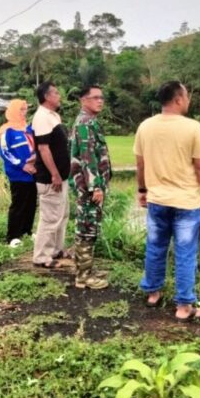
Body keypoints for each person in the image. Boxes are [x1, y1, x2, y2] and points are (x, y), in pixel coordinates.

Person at [133, 81, 200, 321]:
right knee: (185, 254)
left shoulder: (145, 126)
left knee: (155, 246)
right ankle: (184, 307)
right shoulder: (193, 128)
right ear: (179, 99)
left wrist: (142, 190)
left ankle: (153, 293)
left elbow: (140, 164)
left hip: (157, 201)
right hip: (186, 203)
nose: (188, 100)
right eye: (187, 96)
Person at [69, 85, 111, 289]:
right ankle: (83, 277)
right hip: (88, 187)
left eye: (101, 97)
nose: (100, 101)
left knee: (89, 226)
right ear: (84, 100)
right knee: (87, 228)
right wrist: (96, 187)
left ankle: (85, 270)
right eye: (95, 98)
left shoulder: (90, 121)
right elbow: (87, 158)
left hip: (89, 185)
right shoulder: (84, 123)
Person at [32, 81, 70, 268]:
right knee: (50, 218)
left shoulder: (53, 115)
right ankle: (41, 256)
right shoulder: (41, 117)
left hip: (61, 177)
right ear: (47, 97)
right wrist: (54, 174)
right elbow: (44, 148)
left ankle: (56, 249)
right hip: (50, 179)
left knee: (61, 215)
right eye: (56, 93)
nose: (59, 95)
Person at [0, 99, 37, 248]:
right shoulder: (6, 130)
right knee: (18, 204)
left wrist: (35, 162)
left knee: (31, 203)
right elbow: (4, 152)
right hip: (18, 174)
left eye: (26, 109)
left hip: (33, 173)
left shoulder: (27, 129)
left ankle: (26, 231)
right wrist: (22, 165)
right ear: (13, 110)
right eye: (21, 109)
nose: (24, 112)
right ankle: (13, 236)